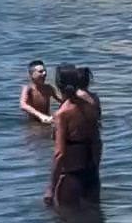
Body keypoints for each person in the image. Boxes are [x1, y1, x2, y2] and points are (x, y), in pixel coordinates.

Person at [44, 64, 102, 209]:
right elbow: (98, 142)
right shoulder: (92, 105)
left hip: (71, 176)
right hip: (92, 174)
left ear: (58, 85)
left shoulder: (63, 113)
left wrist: (51, 188)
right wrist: (95, 167)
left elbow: (59, 154)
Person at [20, 60, 60, 125]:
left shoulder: (48, 88)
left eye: (45, 71)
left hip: (47, 120)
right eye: (40, 72)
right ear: (31, 74)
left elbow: (61, 100)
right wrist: (40, 115)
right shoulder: (28, 88)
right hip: (33, 123)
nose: (44, 73)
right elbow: (23, 105)